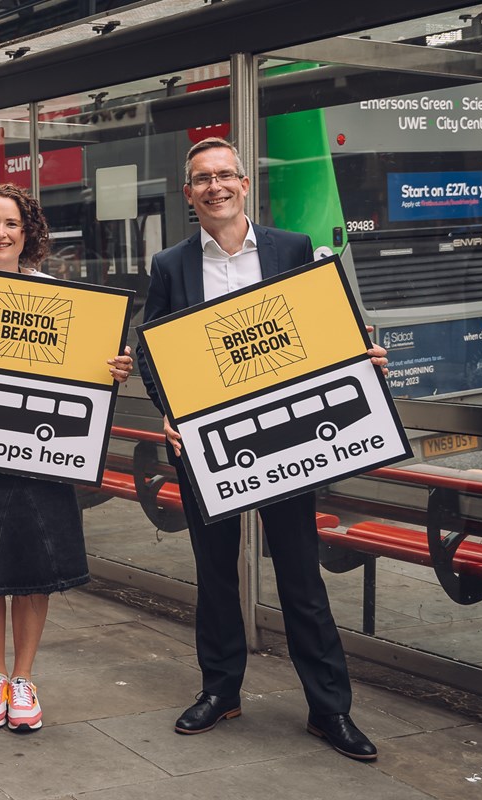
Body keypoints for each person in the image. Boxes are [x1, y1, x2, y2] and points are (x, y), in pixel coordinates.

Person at [137, 137, 389, 761]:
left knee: (301, 578)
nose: (215, 187)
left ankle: (330, 710)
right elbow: (150, 348)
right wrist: (169, 408)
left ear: (244, 184)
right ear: (189, 192)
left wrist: (361, 358)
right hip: (206, 446)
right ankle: (221, 690)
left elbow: (323, 325)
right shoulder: (171, 265)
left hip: (285, 440)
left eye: (225, 176)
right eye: (202, 179)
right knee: (217, 577)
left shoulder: (290, 249)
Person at [0, 184, 133, 733]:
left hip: (43, 456)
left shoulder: (60, 298)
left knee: (34, 565)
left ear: (28, 233)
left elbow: (86, 371)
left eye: (11, 224)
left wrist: (111, 369)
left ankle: (24, 677)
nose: (1, 233)